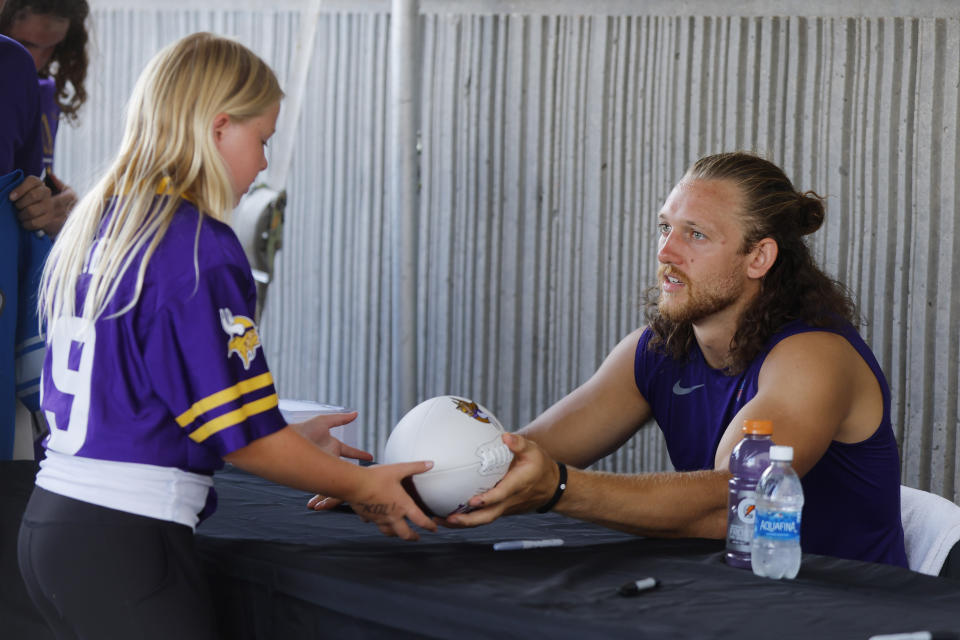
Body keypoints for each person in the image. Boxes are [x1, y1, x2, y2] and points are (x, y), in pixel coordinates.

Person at [17, 32, 436, 639]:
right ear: (217, 130)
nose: (265, 162)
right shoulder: (196, 246)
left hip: (53, 524)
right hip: (127, 542)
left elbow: (150, 404)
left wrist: (280, 433)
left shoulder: (104, 221)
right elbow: (242, 442)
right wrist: (362, 485)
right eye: (261, 140)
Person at [441, 152, 908, 568]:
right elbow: (518, 457)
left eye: (696, 235)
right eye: (665, 227)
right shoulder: (656, 350)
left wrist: (559, 488)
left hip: (846, 611)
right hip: (727, 599)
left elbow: (730, 506)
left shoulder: (815, 355)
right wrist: (394, 481)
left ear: (759, 257)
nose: (666, 252)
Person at [1, 0, 90, 236]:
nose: (38, 60)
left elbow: (28, 184)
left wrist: (52, 206)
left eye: (51, 47)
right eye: (26, 44)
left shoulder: (44, 91)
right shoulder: (12, 65)